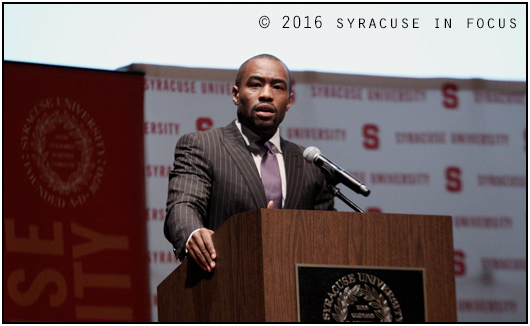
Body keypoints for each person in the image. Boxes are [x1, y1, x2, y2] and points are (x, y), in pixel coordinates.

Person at [164, 54, 334, 272]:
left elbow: (327, 236)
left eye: (277, 88)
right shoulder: (203, 146)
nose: (266, 95)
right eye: (255, 85)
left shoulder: (310, 164)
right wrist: (193, 233)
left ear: (289, 101)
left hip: (293, 292)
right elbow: (183, 205)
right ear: (236, 94)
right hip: (224, 286)